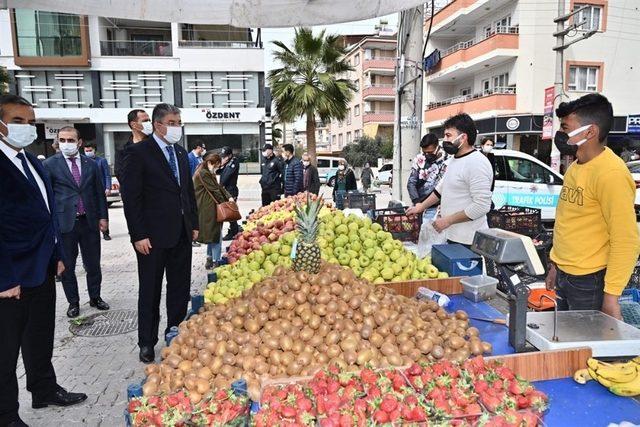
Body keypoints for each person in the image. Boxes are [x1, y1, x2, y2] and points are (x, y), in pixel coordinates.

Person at [0, 95, 87, 427]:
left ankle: (44, 389)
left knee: (40, 336)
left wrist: (58, 256)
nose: (26, 127)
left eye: (30, 121)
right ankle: (6, 414)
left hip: (42, 268)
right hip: (10, 277)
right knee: (5, 352)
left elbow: (47, 216)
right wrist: (3, 279)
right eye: (18, 121)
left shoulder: (33, 162)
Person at [546, 93, 640, 319]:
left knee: (587, 349)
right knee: (568, 343)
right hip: (565, 275)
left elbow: (625, 240)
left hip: (590, 282)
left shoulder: (611, 174)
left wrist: (611, 296)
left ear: (590, 131)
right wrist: (555, 265)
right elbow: (568, 223)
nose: (562, 134)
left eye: (566, 127)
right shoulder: (576, 166)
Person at [120, 103, 199, 363]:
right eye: (172, 123)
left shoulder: (180, 153)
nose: (177, 127)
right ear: (158, 125)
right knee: (151, 290)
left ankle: (174, 333)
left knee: (179, 288)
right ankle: (146, 342)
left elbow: (187, 192)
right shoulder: (139, 153)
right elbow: (132, 198)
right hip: (151, 238)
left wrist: (194, 224)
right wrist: (138, 235)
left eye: (179, 122)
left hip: (181, 233)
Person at [43, 127, 110, 319]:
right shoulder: (50, 165)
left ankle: (95, 297)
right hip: (65, 223)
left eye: (70, 140)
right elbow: (48, 197)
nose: (66, 144)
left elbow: (98, 193)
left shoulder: (91, 164)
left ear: (79, 142)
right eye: (62, 140)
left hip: (88, 221)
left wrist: (103, 217)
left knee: (93, 264)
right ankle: (73, 302)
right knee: (68, 267)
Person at [407, 113, 493, 247]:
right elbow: (441, 189)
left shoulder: (477, 163)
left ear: (463, 137)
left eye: (448, 135)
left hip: (470, 241)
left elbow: (481, 206)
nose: (444, 140)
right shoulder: (453, 160)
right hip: (452, 237)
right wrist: (421, 207)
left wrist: (448, 220)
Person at [195, 153, 232, 270]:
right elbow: (215, 189)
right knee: (216, 234)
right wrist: (225, 203)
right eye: (217, 166)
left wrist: (228, 196)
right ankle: (216, 261)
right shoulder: (204, 173)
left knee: (212, 233)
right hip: (209, 207)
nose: (217, 168)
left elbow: (218, 187)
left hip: (206, 207)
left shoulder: (203, 170)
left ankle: (209, 258)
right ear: (211, 163)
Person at [407, 133, 449, 220]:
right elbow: (411, 183)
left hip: (439, 207)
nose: (427, 155)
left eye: (430, 152)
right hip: (420, 204)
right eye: (424, 152)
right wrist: (417, 202)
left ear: (437, 147)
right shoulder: (419, 159)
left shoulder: (447, 160)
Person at [84, 142, 113, 241]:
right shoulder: (83, 161)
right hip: (88, 191)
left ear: (94, 150)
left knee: (103, 211)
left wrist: (108, 187)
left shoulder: (101, 161)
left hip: (100, 191)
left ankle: (106, 232)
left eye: (90, 150)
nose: (88, 152)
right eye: (86, 151)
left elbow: (107, 175)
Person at [114, 109, 152, 179]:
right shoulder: (122, 150)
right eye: (145, 121)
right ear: (133, 124)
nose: (149, 123)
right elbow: (120, 174)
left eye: (149, 120)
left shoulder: (156, 144)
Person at [218, 146, 241, 241]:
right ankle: (234, 229)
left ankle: (234, 231)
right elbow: (218, 171)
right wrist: (221, 164)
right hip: (226, 190)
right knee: (229, 212)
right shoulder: (226, 163)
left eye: (225, 156)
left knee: (231, 212)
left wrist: (220, 185)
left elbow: (226, 176)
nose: (223, 158)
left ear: (230, 155)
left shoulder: (234, 162)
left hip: (231, 190)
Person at [479, 137, 496, 209]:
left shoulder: (491, 157)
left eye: (491, 145)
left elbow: (493, 173)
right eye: (487, 144)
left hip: (488, 187)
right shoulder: (477, 156)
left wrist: (491, 189)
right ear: (482, 145)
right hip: (479, 186)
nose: (489, 146)